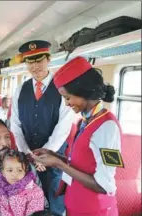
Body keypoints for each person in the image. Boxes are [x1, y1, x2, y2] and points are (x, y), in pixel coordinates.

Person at [31, 56, 123, 216]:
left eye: (68, 97)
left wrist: (60, 165)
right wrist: (55, 156)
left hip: (95, 210)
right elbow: (82, 164)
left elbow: (104, 185)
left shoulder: (107, 127)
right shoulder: (84, 121)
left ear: (84, 92)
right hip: (77, 206)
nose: (66, 103)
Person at [10, 40, 75, 215]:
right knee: (28, 202)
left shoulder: (63, 88)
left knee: (55, 203)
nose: (35, 66)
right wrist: (27, 153)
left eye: (39, 60)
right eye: (30, 61)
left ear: (49, 59)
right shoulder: (19, 90)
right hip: (28, 158)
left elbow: (64, 125)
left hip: (54, 158)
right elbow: (15, 124)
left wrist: (45, 154)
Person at [0, 149, 45, 216]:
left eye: (19, 170)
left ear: (25, 171)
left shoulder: (34, 192)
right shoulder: (0, 190)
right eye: (10, 170)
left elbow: (34, 214)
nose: (14, 174)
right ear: (2, 172)